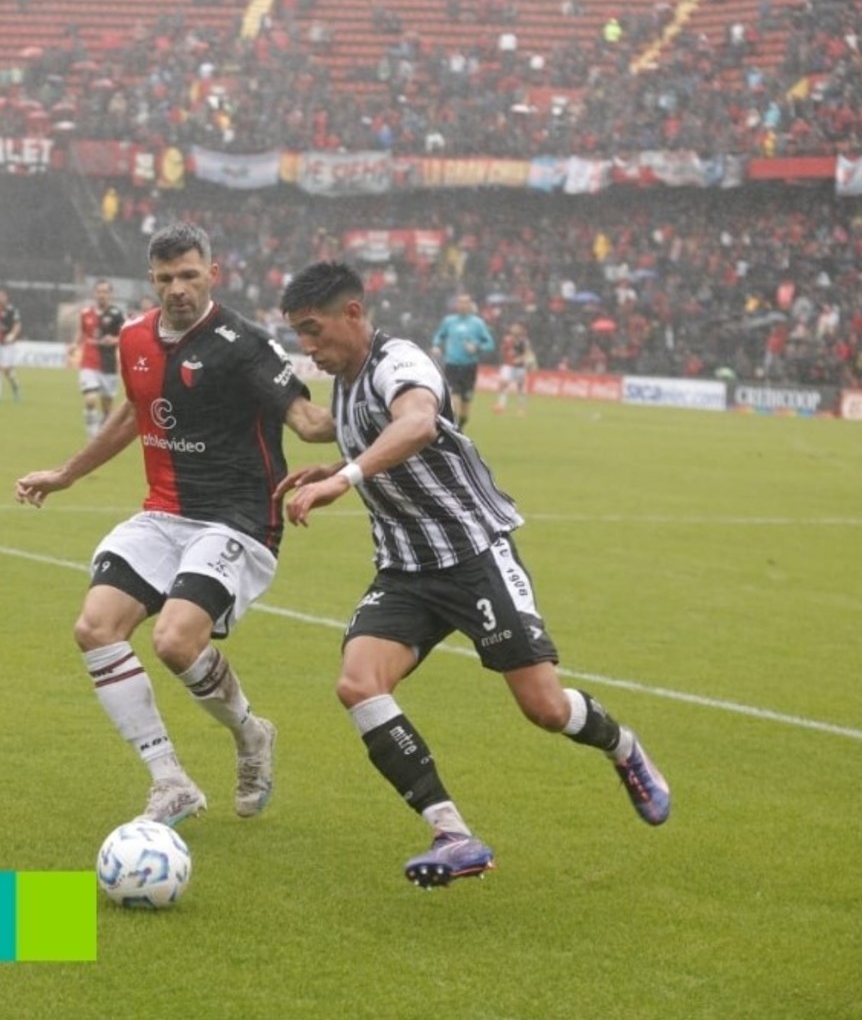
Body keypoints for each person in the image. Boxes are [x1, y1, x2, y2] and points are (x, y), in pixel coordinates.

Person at [275, 262, 670, 889]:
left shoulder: (397, 361)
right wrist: (333, 466)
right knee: (358, 684)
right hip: (406, 568)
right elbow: (364, 437)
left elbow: (417, 423)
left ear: (352, 314)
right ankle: (454, 834)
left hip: (474, 558)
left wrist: (345, 481)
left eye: (313, 331)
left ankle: (624, 747)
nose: (307, 347)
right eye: (298, 334)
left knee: (543, 708)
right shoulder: (343, 381)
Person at [14, 223, 334, 826]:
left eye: (189, 275)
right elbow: (132, 415)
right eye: (165, 279)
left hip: (239, 519)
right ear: (151, 280)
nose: (177, 289)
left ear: (213, 273)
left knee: (173, 641)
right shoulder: (133, 336)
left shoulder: (245, 344)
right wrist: (66, 474)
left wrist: (394, 410)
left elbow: (310, 422)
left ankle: (250, 734)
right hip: (164, 514)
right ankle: (170, 780)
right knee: (95, 627)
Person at [71, 278, 125, 438]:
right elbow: (82, 332)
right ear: (94, 293)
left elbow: (125, 335)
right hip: (89, 361)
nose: (102, 295)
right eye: (99, 291)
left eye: (105, 292)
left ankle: (101, 430)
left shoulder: (116, 314)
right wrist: (74, 344)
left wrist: (114, 340)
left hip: (108, 364)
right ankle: (92, 434)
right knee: (90, 399)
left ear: (110, 294)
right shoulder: (86, 313)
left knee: (107, 409)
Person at [430, 293, 494, 428]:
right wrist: (436, 345)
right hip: (452, 365)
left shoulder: (478, 323)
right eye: (460, 302)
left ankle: (460, 424)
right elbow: (438, 336)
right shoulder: (449, 321)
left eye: (465, 302)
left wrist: (476, 347)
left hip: (469, 367)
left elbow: (490, 344)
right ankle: (452, 425)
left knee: (466, 403)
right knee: (454, 396)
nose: (462, 305)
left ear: (470, 305)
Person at [494, 321, 535, 415]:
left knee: (520, 387)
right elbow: (503, 351)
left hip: (520, 367)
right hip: (508, 365)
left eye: (517, 328)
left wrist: (521, 358)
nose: (514, 329)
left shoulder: (524, 341)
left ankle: (521, 408)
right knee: (504, 384)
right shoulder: (506, 339)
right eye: (513, 327)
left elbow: (528, 352)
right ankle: (500, 406)